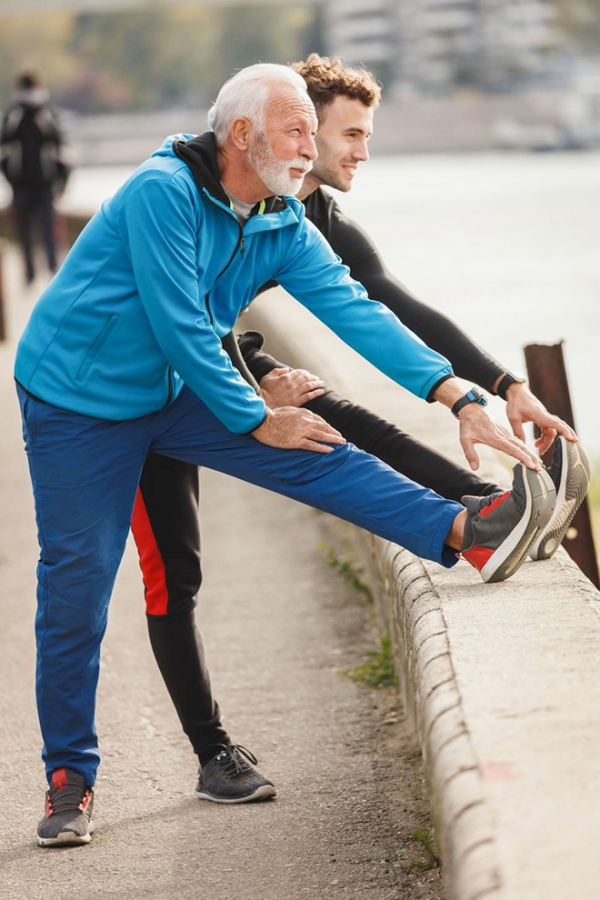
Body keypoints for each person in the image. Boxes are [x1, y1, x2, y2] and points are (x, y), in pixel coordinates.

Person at [16, 63, 558, 848]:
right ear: (242, 134)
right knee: (76, 591)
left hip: (172, 388)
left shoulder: (278, 219)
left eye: (313, 131)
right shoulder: (160, 192)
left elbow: (357, 311)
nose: (311, 149)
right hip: (78, 401)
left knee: (318, 445)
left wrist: (460, 398)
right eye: (296, 130)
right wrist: (253, 411)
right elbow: (175, 319)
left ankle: (465, 534)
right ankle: (71, 778)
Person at [0, 69, 68, 284]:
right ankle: (40, 271)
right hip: (27, 184)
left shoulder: (43, 113)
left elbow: (59, 149)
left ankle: (48, 269)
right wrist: (61, 180)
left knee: (38, 229)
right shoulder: (19, 114)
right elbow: (62, 152)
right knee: (33, 229)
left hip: (38, 184)